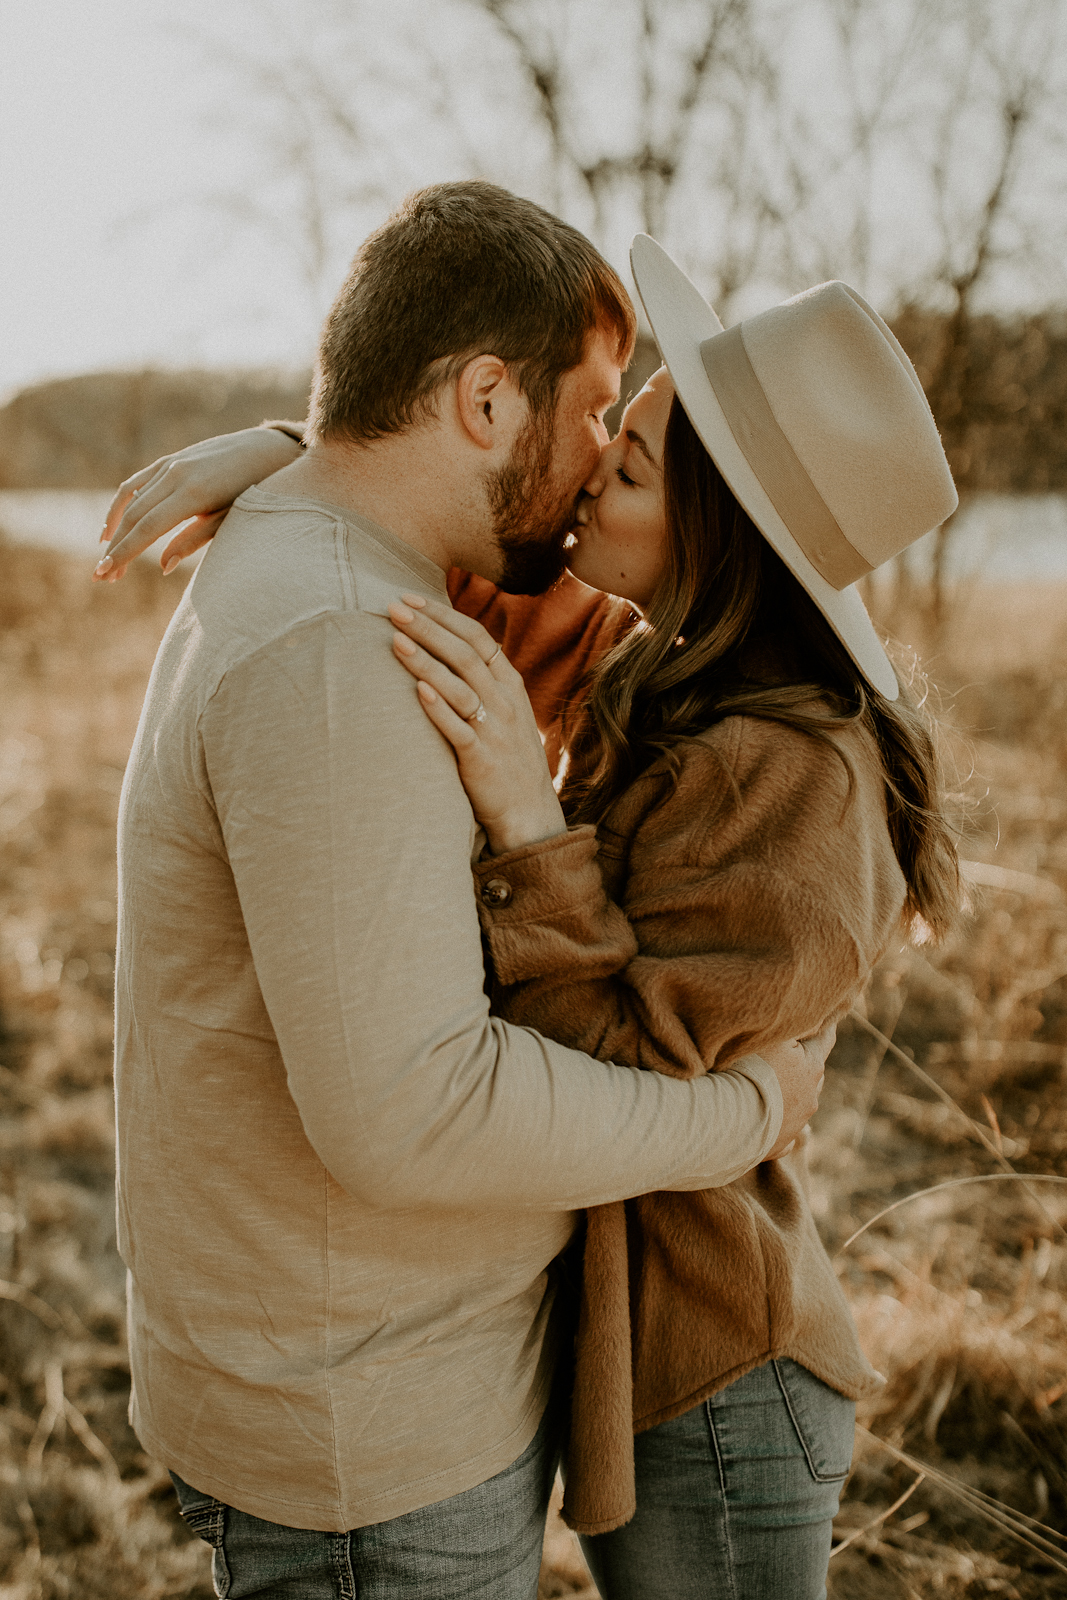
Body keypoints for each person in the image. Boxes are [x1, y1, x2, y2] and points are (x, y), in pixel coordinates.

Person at [107, 237, 960, 1600]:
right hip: (601, 1364)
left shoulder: (785, 774)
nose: (591, 464)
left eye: (622, 458)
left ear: (715, 517)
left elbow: (639, 1072)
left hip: (720, 1362)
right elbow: (402, 489)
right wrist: (295, 451)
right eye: (601, 426)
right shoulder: (641, 661)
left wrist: (530, 824)